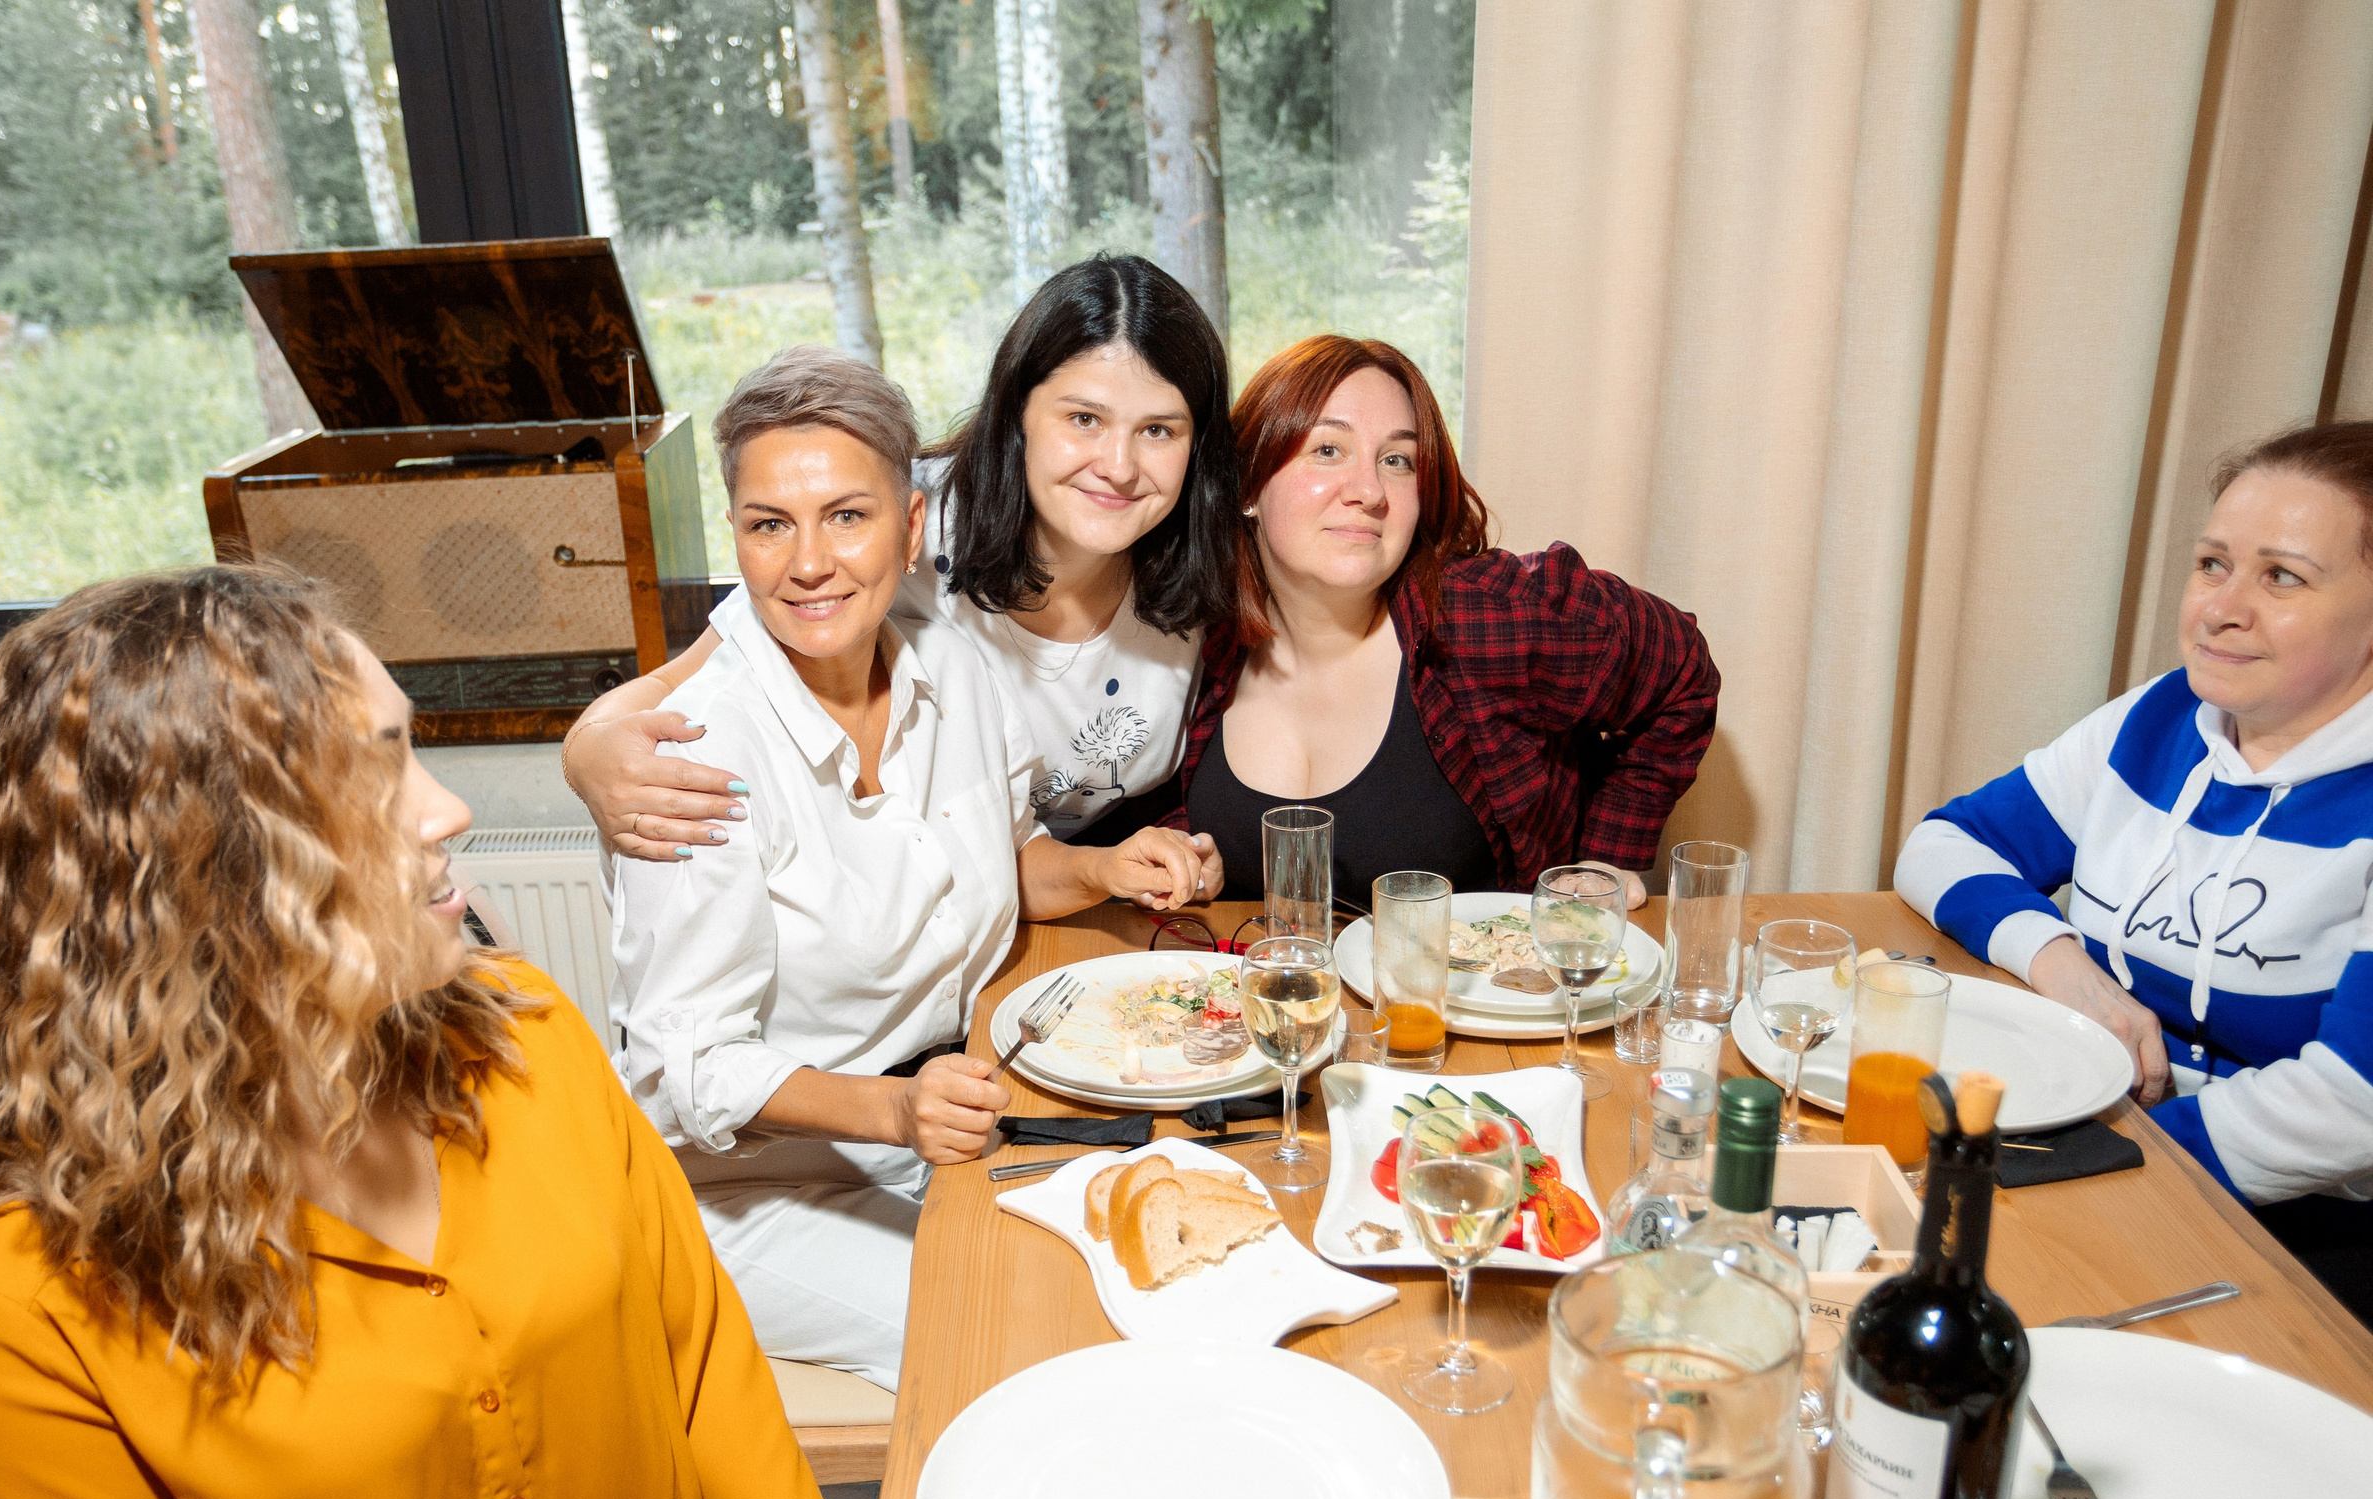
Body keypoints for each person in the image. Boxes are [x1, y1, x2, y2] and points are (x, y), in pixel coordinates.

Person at [0, 568, 861, 1499]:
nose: (446, 809)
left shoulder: (531, 1043)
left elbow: (705, 1380)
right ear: (195, 872)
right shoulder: (10, 1308)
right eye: (371, 771)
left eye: (413, 749)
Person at [608, 348, 1219, 1391]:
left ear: (912, 525)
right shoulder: (702, 761)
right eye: (769, 525)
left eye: (846, 516)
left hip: (935, 1120)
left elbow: (1000, 858)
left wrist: (1106, 869)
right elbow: (684, 1071)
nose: (809, 562)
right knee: (1027, 1343)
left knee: (1176, 1260)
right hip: (749, 1190)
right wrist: (895, 1112)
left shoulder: (953, 663)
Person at [1897, 419, 2373, 1319]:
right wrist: (2061, 963)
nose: (2222, 607)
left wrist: (2111, 1158)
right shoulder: (2161, 716)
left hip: (2300, 1228)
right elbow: (1942, 843)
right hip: (2107, 1139)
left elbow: (2350, 1106)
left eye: (2282, 576)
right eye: (2211, 564)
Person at [566, 252, 1239, 858]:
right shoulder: (900, 527)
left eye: (1157, 429)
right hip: (924, 902)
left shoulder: (1202, 560)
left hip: (1091, 902)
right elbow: (676, 684)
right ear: (1017, 417)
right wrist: (587, 752)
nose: (1118, 467)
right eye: (1083, 419)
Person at [1165, 334, 1719, 910]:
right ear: (1247, 486)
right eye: (1327, 450)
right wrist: (1193, 863)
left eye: (1396, 460)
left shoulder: (1486, 618)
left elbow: (1683, 669)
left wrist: (1609, 854)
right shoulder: (1192, 638)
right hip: (1267, 996)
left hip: (1466, 996)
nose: (1369, 491)